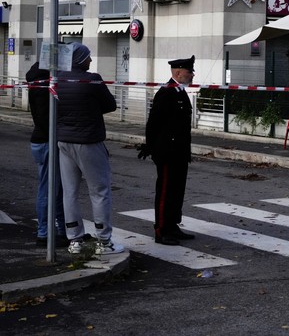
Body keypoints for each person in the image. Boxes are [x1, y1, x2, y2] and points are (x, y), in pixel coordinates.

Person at [56, 42, 124, 255]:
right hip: (89, 141)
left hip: (64, 141)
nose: (91, 60)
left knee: (70, 192)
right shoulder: (92, 79)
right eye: (88, 57)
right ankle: (103, 241)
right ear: (80, 59)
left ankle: (74, 240)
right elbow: (110, 105)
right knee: (100, 191)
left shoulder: (57, 79)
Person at [139, 55, 196, 246]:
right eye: (189, 72)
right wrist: (149, 146)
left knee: (177, 191)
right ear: (178, 73)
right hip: (167, 152)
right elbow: (154, 122)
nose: (192, 74)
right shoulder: (166, 92)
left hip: (179, 151)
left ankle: (172, 226)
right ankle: (161, 230)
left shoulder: (180, 91)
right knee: (165, 192)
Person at [27, 61, 67, 247]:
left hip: (41, 140)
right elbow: (44, 118)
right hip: (46, 141)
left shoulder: (38, 81)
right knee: (47, 189)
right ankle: (43, 232)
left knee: (55, 188)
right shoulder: (44, 85)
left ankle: (60, 230)